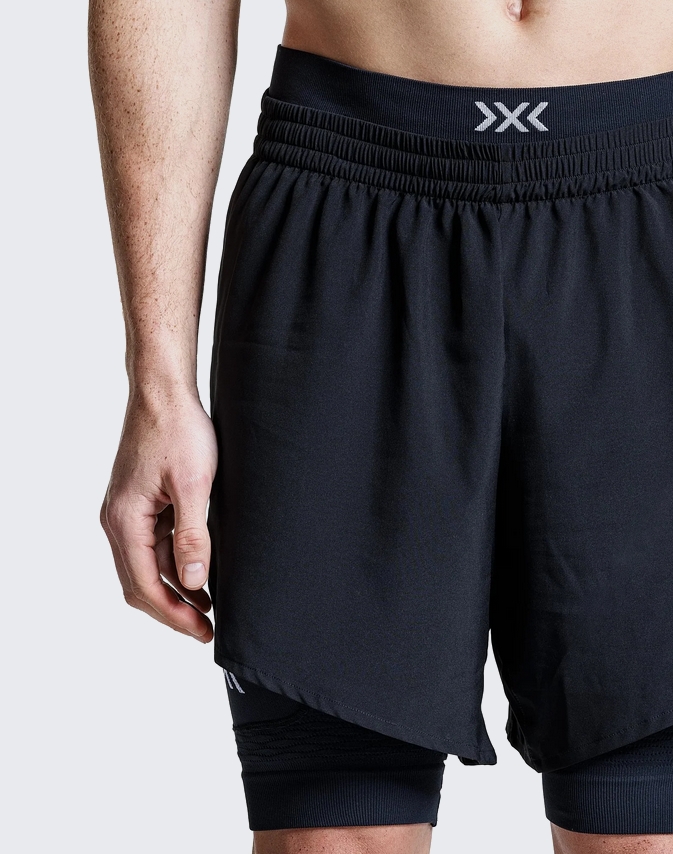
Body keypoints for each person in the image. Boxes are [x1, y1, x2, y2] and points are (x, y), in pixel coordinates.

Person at [89, 1, 673, 851]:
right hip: (347, 210)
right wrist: (158, 386)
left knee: (647, 831)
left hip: (651, 207)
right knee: (335, 833)